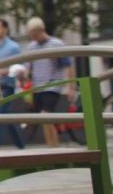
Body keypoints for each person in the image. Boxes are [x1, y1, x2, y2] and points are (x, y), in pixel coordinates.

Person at [24, 17, 74, 147]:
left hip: (52, 85)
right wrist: (25, 83)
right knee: (44, 119)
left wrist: (70, 87)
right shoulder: (31, 47)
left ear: (40, 30)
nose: (32, 36)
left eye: (33, 33)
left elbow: (67, 65)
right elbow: (28, 68)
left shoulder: (56, 44)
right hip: (38, 86)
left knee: (45, 115)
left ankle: (54, 146)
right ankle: (51, 145)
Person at [0, 18, 26, 150]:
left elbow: (20, 66)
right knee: (7, 117)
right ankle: (21, 146)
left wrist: (6, 70)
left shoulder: (13, 47)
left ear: (5, 29)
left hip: (6, 86)